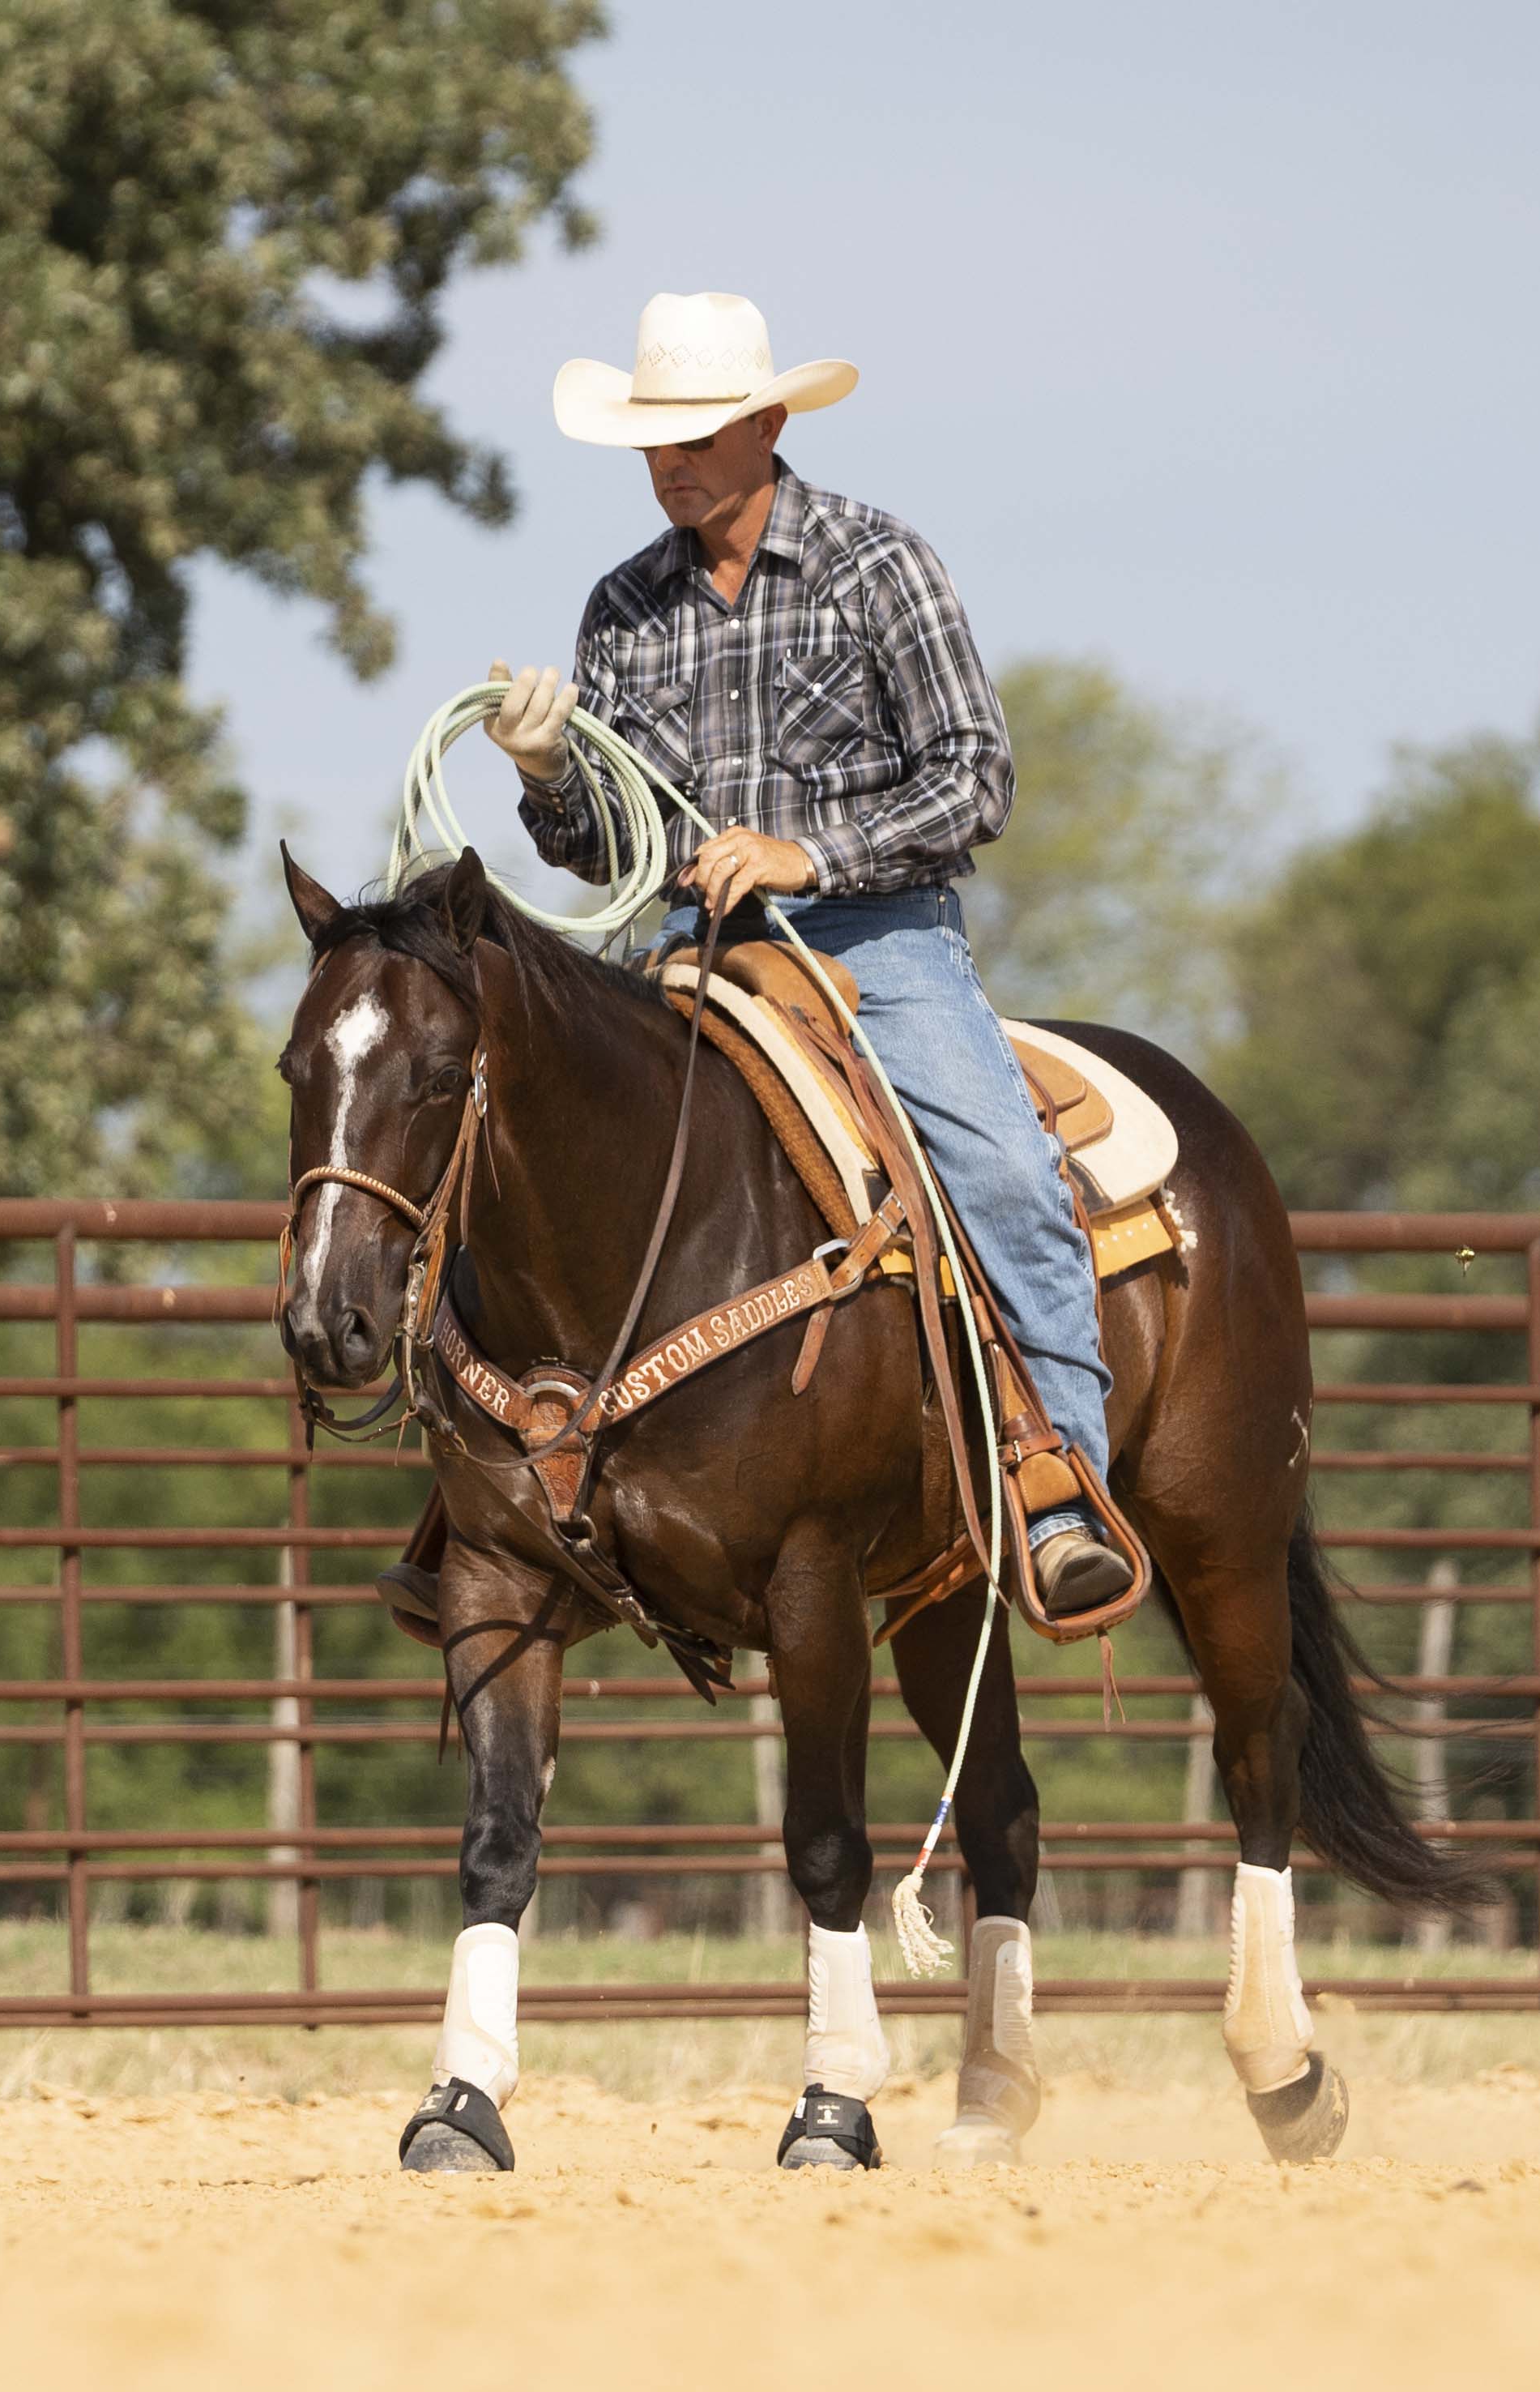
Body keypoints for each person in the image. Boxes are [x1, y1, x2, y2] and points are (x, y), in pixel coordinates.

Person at [477, 288, 1130, 1619]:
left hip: (877, 949)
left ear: (769, 424)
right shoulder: (623, 608)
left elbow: (976, 779)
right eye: (655, 441)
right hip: (689, 949)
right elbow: (611, 842)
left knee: (1005, 1173)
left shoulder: (878, 565)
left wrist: (806, 855)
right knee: (521, 1144)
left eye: (700, 435)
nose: (673, 463)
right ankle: (497, 1513)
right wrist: (547, 776)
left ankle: (1059, 1482)